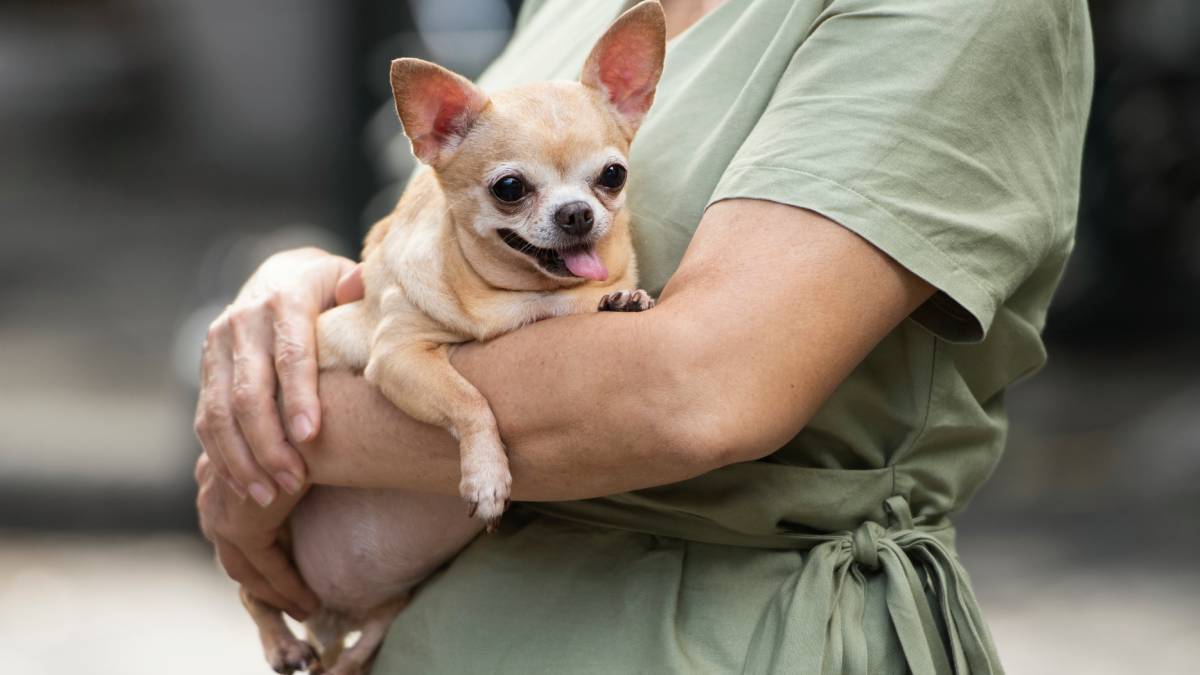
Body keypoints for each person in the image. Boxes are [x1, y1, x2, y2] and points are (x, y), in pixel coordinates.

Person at [194, 0, 1093, 672]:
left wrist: (275, 443)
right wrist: (312, 282)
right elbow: (435, 245)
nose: (573, 210)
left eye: (606, 181)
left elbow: (692, 392)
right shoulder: (576, 7)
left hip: (734, 639)